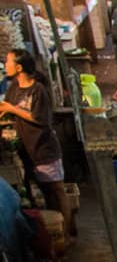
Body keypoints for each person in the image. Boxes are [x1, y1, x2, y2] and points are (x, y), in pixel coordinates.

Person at [0, 51, 73, 236]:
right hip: (28, 150)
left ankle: (69, 232)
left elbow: (41, 119)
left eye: (8, 61)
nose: (5, 64)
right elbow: (7, 112)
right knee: (46, 193)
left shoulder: (38, 89)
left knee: (57, 190)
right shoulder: (14, 88)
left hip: (44, 148)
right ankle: (57, 232)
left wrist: (12, 108)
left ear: (19, 67)